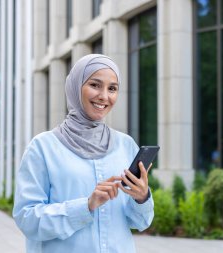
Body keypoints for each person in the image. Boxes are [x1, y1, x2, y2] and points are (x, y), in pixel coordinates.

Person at [13, 54, 154, 253]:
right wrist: (86, 206)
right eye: (95, 85)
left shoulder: (126, 145)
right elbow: (27, 219)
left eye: (112, 88)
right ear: (75, 87)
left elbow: (140, 222)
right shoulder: (43, 147)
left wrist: (142, 198)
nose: (104, 96)